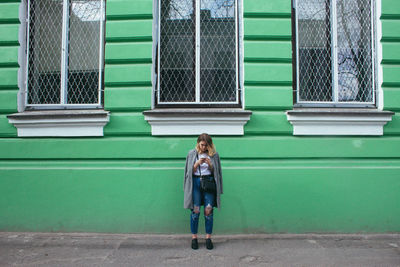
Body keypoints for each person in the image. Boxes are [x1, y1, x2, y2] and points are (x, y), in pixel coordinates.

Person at [184, 133, 223, 250]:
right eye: (201, 145)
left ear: (209, 145)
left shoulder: (214, 155)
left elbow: (217, 173)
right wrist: (196, 164)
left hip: (209, 182)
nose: (203, 148)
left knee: (208, 211)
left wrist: (210, 165)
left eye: (206, 145)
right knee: (195, 211)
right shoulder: (192, 154)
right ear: (198, 143)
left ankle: (208, 238)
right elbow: (187, 173)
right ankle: (194, 238)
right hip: (195, 183)